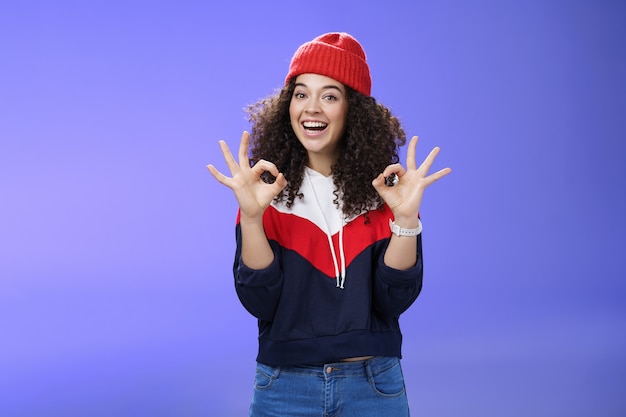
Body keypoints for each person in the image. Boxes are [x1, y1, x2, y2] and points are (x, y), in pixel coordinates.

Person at [207, 32, 451, 417]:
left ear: (354, 109)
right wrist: (253, 218)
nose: (311, 108)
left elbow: (395, 301)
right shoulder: (266, 192)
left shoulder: (387, 193)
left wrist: (405, 219)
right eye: (301, 94)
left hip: (373, 387)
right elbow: (260, 303)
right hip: (283, 387)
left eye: (330, 95)